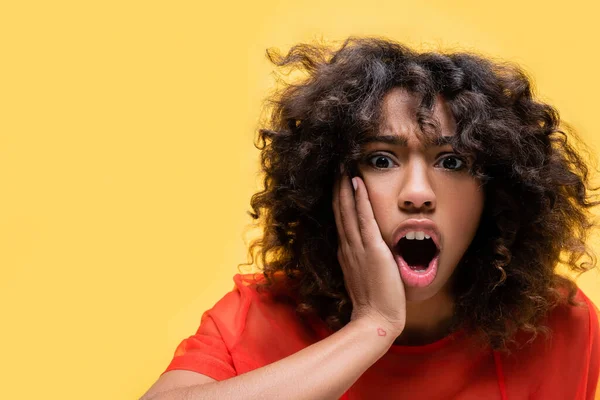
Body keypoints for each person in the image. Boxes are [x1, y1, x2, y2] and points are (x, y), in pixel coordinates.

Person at [140, 37, 600, 399]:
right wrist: (373, 326)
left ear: (494, 192)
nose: (418, 194)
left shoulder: (565, 325)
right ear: (331, 182)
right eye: (381, 160)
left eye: (452, 162)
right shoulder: (251, 320)